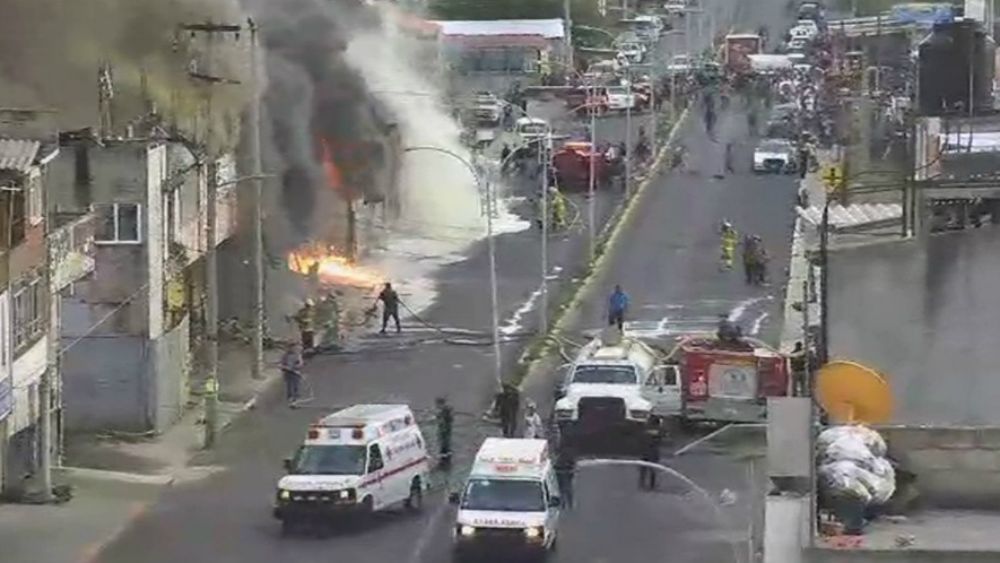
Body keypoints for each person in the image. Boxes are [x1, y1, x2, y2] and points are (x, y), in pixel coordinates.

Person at [638, 418, 663, 490]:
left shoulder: (645, 429)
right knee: (653, 469)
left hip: (644, 451)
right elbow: (661, 439)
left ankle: (641, 484)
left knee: (643, 469)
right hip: (653, 452)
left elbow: (640, 438)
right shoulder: (659, 430)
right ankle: (652, 485)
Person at [436, 397, 454, 469]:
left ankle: (444, 455)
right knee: (445, 441)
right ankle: (446, 452)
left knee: (444, 442)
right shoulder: (446, 410)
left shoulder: (444, 411)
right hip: (446, 429)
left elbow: (442, 420)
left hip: (444, 429)